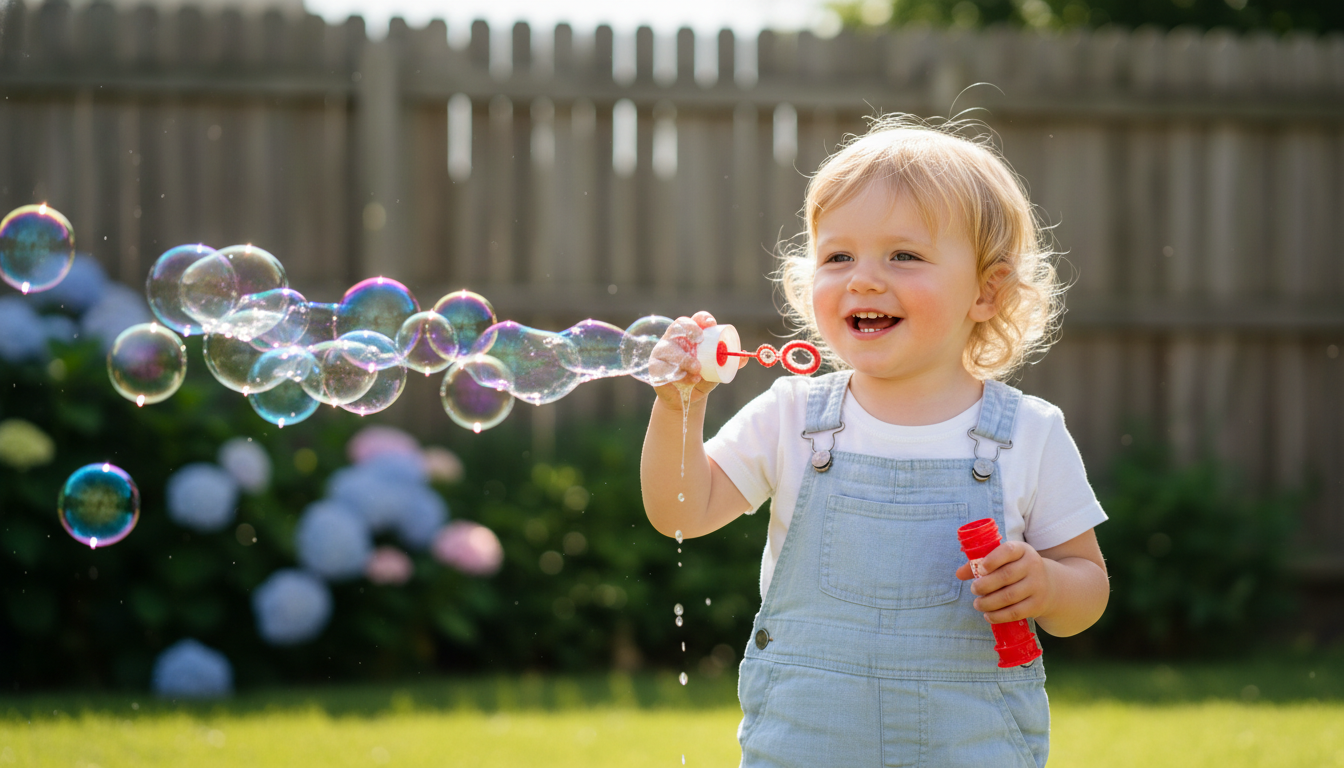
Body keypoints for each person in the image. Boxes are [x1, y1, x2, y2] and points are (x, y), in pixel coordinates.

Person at [639, 114, 1109, 767]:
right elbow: (679, 511)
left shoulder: (1029, 433)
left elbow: (1088, 585)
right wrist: (677, 409)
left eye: (904, 255)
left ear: (987, 290)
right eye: (838, 256)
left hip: (969, 749)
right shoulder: (792, 417)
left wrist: (1049, 587)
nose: (862, 278)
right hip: (804, 748)